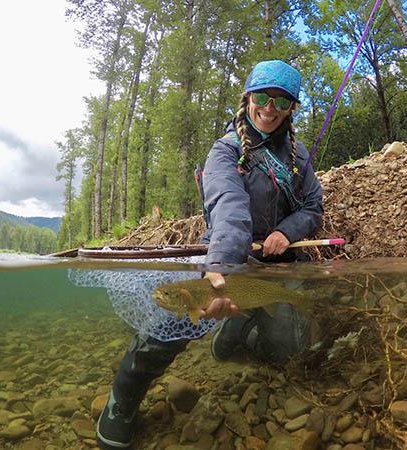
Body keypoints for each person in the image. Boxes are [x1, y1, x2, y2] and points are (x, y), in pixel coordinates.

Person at [96, 59, 324, 450]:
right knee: (166, 327)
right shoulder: (226, 151)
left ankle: (238, 332)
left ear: (292, 109)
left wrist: (286, 233)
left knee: (292, 347)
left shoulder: (299, 157)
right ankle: (122, 402)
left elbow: (312, 209)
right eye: (262, 97)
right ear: (247, 98)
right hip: (223, 251)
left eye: (282, 102)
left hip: (274, 264)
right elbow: (229, 208)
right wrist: (219, 268)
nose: (270, 109)